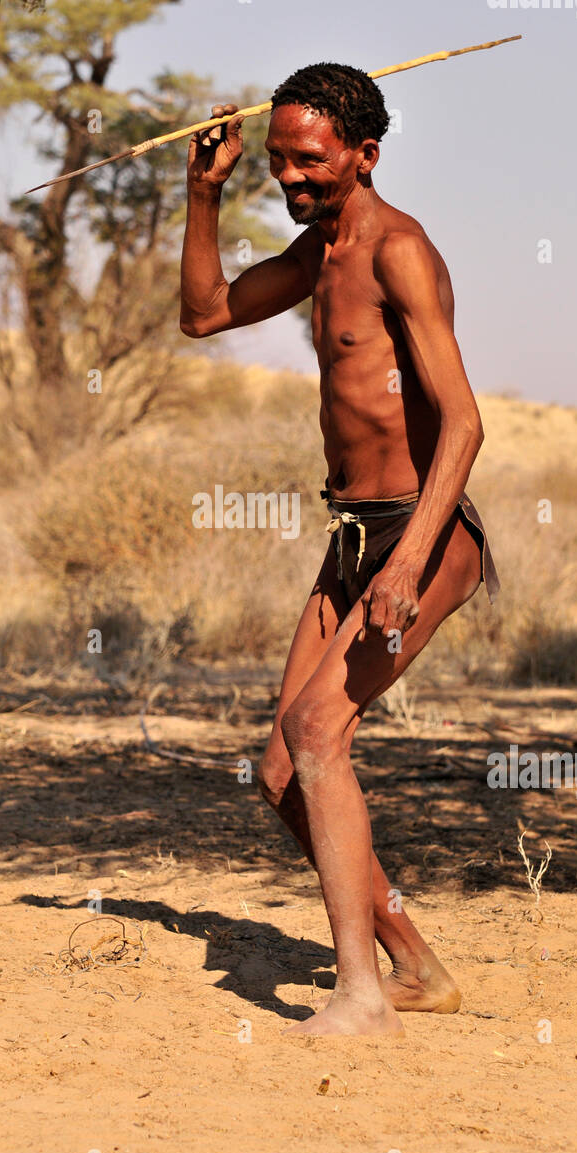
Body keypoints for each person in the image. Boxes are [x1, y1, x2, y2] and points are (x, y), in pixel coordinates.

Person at [179, 63, 499, 1035]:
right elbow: (203, 313)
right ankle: (413, 965)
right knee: (280, 768)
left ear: (363, 154)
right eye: (277, 162)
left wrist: (407, 562)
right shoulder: (319, 253)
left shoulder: (398, 251)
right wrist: (201, 193)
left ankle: (359, 996)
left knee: (318, 735)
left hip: (424, 532)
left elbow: (464, 423)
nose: (290, 178)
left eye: (309, 161)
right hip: (352, 533)